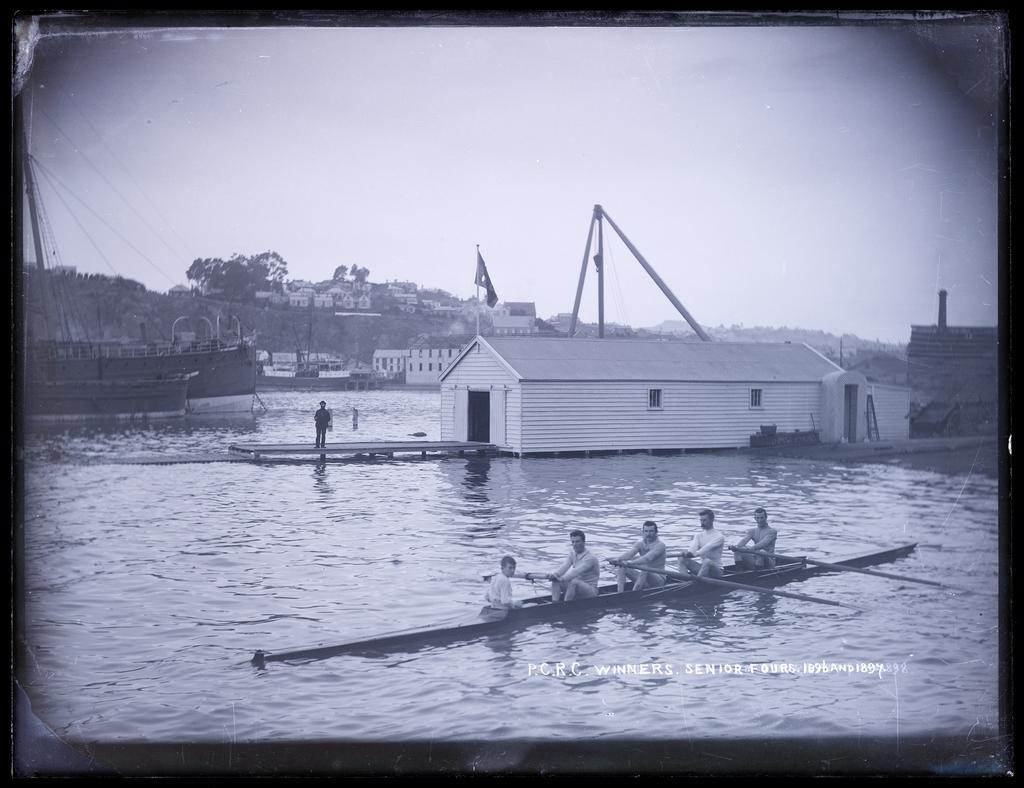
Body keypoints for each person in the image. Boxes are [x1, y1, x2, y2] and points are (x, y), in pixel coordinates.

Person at [543, 530, 600, 602]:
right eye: (573, 542)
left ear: (584, 542)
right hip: (576, 587)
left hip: (591, 591)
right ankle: (554, 603)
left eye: (577, 541)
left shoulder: (590, 558)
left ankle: (566, 605)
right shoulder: (572, 553)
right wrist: (555, 575)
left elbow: (576, 571)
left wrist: (562, 579)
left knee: (574, 582)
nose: (574, 544)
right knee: (556, 581)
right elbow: (564, 566)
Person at [609, 520, 667, 592]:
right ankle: (620, 593)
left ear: (656, 532)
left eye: (651, 531)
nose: (648, 534)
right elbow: (629, 554)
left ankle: (634, 594)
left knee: (645, 568)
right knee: (622, 566)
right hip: (644, 577)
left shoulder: (660, 545)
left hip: (658, 580)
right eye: (646, 531)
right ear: (643, 532)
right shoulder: (640, 544)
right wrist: (618, 559)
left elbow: (647, 559)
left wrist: (630, 563)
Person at [678, 509, 725, 579]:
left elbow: (706, 548)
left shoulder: (719, 537)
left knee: (707, 561)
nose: (702, 523)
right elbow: (692, 549)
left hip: (717, 571)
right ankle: (685, 580)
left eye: (704, 520)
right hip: (704, 568)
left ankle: (696, 582)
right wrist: (687, 553)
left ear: (712, 520)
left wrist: (694, 554)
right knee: (681, 558)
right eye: (701, 520)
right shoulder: (698, 535)